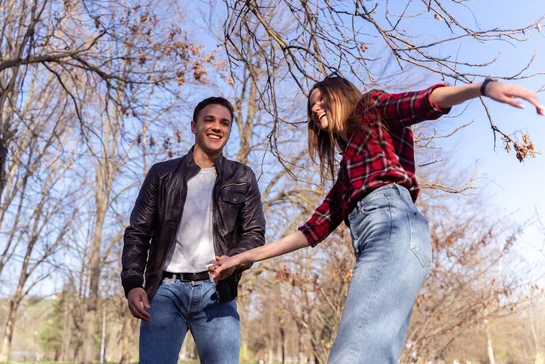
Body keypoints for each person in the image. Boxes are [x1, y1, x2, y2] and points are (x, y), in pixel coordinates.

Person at [210, 76, 544, 363]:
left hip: (393, 230)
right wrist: (243, 257)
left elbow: (424, 101)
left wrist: (483, 87)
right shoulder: (348, 173)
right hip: (385, 240)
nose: (314, 108)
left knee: (351, 355)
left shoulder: (371, 110)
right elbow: (311, 231)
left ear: (341, 95)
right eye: (311, 105)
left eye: (321, 99)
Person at [121, 96, 266, 364]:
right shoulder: (162, 174)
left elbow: (254, 234)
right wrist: (132, 283)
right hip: (166, 292)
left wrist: (234, 261)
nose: (216, 127)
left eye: (224, 122)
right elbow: (138, 232)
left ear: (229, 131)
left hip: (217, 292)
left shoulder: (242, 177)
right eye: (209, 120)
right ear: (193, 126)